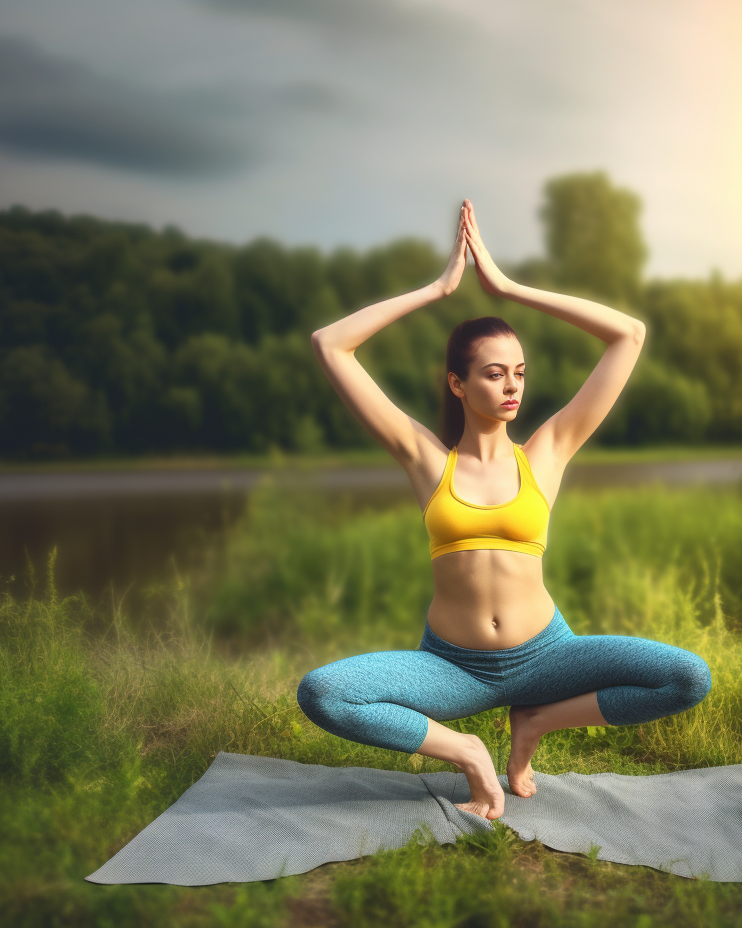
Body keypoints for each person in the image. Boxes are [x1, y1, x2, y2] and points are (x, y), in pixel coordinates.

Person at [297, 199, 711, 819]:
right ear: (458, 385)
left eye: (519, 372)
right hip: (453, 668)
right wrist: (439, 289)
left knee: (687, 677)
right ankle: (468, 753)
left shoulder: (546, 453)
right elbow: (331, 344)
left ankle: (537, 723)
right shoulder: (424, 459)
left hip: (547, 656)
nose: (513, 385)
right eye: (494, 374)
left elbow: (628, 334)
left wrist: (510, 287)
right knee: (324, 693)